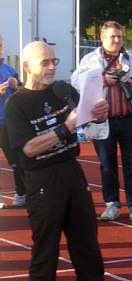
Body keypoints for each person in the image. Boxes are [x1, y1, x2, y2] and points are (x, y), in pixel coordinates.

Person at [5, 41, 107, 280]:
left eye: (55, 61)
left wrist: (99, 115)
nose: (52, 67)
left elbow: (87, 120)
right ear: (28, 66)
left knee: (87, 245)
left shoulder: (63, 90)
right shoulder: (17, 103)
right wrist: (66, 127)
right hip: (42, 181)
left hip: (73, 172)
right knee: (46, 251)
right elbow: (29, 149)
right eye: (45, 62)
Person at [71, 21, 132, 223]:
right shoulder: (90, 60)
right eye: (112, 36)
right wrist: (102, 79)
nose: (116, 40)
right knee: (107, 165)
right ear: (102, 38)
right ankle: (111, 204)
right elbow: (76, 81)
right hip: (103, 121)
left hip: (129, 120)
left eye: (119, 36)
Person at [0, 34, 26, 208]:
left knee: (17, 159)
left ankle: (21, 193)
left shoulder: (10, 70)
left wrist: (17, 88)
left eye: (0, 46)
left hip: (8, 122)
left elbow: (23, 92)